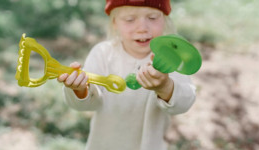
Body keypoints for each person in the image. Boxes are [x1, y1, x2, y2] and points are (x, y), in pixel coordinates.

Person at [58, 0, 196, 150]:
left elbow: (183, 103)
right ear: (114, 23)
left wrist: (165, 87)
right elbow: (90, 103)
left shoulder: (170, 60)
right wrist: (80, 89)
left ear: (165, 20)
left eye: (152, 18)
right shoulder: (103, 54)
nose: (142, 28)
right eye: (130, 19)